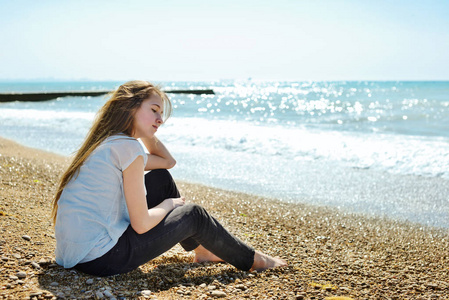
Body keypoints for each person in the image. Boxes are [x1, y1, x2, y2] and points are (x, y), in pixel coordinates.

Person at [52, 80, 287, 277]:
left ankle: (203, 251)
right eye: (153, 110)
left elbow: (167, 163)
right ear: (129, 107)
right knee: (194, 214)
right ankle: (253, 260)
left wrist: (144, 131)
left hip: (74, 256)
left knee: (160, 178)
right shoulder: (127, 148)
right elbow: (141, 224)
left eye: (161, 113)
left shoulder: (109, 143)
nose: (160, 119)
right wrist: (169, 205)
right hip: (103, 259)